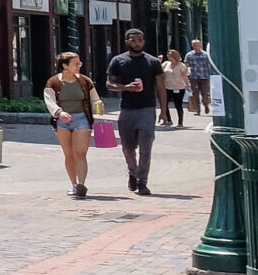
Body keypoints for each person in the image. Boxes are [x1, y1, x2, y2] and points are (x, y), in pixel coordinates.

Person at [104, 28, 163, 196]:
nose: (137, 43)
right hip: (127, 109)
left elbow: (161, 87)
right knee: (127, 148)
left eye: (140, 40)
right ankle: (132, 172)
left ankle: (142, 182)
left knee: (146, 147)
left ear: (144, 41)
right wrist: (125, 87)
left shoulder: (153, 62)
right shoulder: (118, 60)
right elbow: (109, 84)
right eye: (133, 40)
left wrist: (164, 111)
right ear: (127, 41)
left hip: (147, 108)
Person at [44, 51, 101, 199]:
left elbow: (94, 98)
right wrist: (59, 112)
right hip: (62, 121)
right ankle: (74, 184)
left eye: (79, 62)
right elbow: (49, 100)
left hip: (82, 118)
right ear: (65, 66)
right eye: (76, 63)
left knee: (80, 153)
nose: (79, 65)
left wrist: (98, 105)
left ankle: (81, 184)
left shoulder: (85, 81)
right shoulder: (53, 82)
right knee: (68, 154)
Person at [160, 50, 190, 128]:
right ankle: (168, 120)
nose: (168, 57)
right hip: (167, 87)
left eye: (170, 56)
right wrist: (159, 61)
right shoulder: (166, 64)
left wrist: (188, 86)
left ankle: (180, 122)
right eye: (168, 55)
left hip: (179, 88)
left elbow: (185, 77)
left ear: (175, 56)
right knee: (164, 104)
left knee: (178, 105)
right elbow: (159, 71)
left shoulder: (181, 65)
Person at [183, 40, 213, 117]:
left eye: (196, 45)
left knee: (205, 93)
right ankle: (197, 109)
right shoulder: (189, 55)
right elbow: (186, 66)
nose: (195, 46)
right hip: (194, 77)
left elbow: (209, 65)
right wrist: (185, 76)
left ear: (200, 45)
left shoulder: (206, 55)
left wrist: (211, 74)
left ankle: (206, 104)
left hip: (205, 77)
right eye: (193, 45)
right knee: (195, 94)